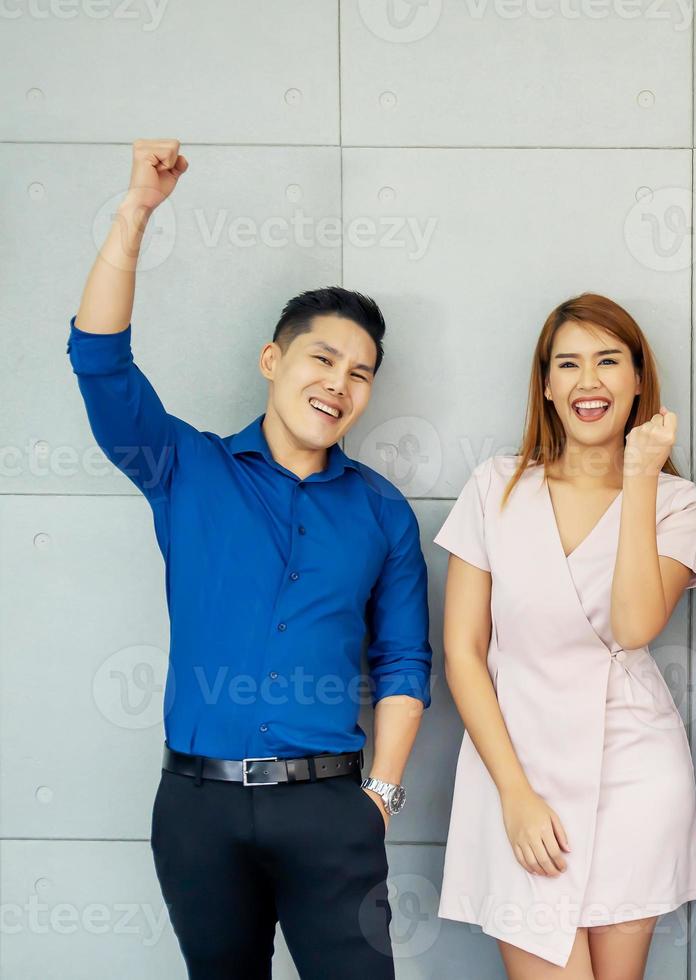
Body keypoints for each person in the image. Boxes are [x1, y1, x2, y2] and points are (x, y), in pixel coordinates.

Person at [68, 140, 433, 979]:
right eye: (323, 359)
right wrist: (135, 214)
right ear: (274, 362)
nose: (340, 384)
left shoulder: (382, 512)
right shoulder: (184, 469)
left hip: (331, 809)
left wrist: (377, 798)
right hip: (196, 810)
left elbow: (404, 664)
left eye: (362, 374)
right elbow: (100, 363)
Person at [435, 293, 696, 978]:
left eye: (609, 361)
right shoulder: (495, 487)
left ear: (638, 379)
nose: (590, 382)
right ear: (547, 384)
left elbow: (635, 623)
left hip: (635, 773)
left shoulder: (677, 502)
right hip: (516, 769)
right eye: (570, 364)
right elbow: (463, 654)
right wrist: (516, 795)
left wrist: (640, 474)